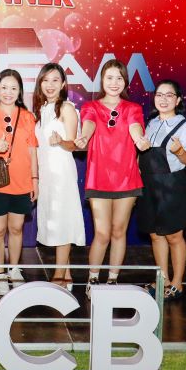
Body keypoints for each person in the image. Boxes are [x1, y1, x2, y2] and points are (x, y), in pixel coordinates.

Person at [74, 59, 149, 297]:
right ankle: (93, 278)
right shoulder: (91, 106)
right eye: (109, 78)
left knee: (119, 231)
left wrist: (139, 140)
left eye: (119, 78)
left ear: (125, 81)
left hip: (127, 178)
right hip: (99, 177)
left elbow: (135, 127)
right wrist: (84, 137)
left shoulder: (133, 108)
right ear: (102, 81)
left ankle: (113, 280)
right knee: (102, 233)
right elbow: (88, 124)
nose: (114, 83)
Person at [0, 69, 39, 296]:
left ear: (20, 91)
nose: (8, 92)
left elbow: (32, 150)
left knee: (16, 227)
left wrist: (35, 179)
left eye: (13, 88)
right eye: (4, 87)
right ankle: (1, 273)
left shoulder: (27, 116)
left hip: (22, 180)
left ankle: (14, 269)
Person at [137, 80, 186, 302]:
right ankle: (162, 280)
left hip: (172, 185)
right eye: (159, 95)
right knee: (155, 235)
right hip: (149, 185)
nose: (163, 99)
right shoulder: (150, 124)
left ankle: (177, 283)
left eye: (169, 95)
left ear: (178, 100)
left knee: (174, 236)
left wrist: (179, 150)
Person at [33, 63, 85, 291]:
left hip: (61, 173)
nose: (50, 85)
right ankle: (67, 275)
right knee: (53, 222)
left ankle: (58, 278)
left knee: (62, 222)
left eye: (55, 80)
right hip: (46, 174)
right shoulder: (42, 109)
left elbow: (74, 144)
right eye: (46, 80)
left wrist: (61, 141)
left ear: (63, 84)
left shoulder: (67, 108)